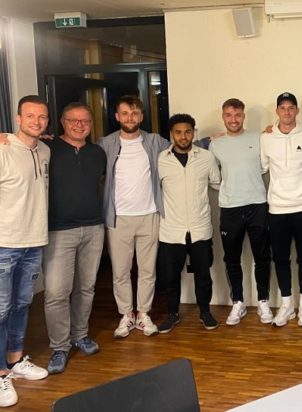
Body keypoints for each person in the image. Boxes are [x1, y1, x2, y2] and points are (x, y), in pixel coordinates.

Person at [98, 95, 170, 338]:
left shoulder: (154, 141)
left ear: (141, 116)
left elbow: (181, 145)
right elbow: (80, 152)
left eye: (135, 113)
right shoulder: (105, 144)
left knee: (148, 270)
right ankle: (127, 314)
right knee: (121, 271)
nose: (130, 118)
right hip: (118, 218)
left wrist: (211, 139)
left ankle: (144, 313)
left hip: (149, 215)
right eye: (125, 113)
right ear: (117, 116)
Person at [42, 103, 106, 374]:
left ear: (91, 124)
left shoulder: (98, 153)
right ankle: (60, 346)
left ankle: (80, 335)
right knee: (57, 292)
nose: (79, 125)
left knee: (86, 288)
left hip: (93, 228)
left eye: (85, 121)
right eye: (73, 120)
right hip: (58, 230)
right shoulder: (48, 148)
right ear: (62, 122)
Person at [0, 95, 50, 407]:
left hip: (34, 241)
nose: (36, 121)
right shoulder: (3, 149)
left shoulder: (44, 150)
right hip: (5, 243)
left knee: (21, 304)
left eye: (42, 116)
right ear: (18, 118)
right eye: (30, 116)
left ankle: (15, 360)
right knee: (0, 309)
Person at [209, 99, 273, 326]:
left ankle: (263, 301)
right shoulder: (215, 144)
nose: (233, 120)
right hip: (230, 208)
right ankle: (238, 302)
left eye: (237, 115)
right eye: (229, 115)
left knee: (262, 257)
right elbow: (213, 176)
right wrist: (229, 188)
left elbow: (264, 166)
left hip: (257, 204)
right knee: (232, 259)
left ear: (243, 116)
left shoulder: (259, 138)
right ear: (223, 117)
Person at [260, 92, 302, 327]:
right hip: (277, 208)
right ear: (277, 111)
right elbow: (263, 167)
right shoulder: (266, 137)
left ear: (297, 110)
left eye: (291, 107)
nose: (287, 112)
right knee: (281, 258)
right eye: (283, 108)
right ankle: (287, 306)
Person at [157, 114, 221, 333]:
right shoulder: (161, 159)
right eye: (178, 132)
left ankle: (205, 312)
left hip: (200, 227)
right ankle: (172, 314)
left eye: (187, 132)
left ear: (194, 132)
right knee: (171, 276)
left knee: (203, 275)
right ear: (171, 134)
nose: (183, 137)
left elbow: (216, 183)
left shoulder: (206, 157)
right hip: (171, 229)